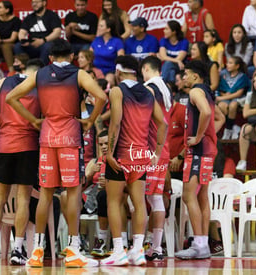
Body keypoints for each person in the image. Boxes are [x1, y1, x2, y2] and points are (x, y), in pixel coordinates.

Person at [6, 39, 107, 268]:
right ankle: (72, 250)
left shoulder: (40, 74)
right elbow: (101, 96)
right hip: (70, 135)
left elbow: (11, 97)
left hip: (47, 136)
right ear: (71, 56)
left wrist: (33, 119)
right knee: (73, 193)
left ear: (50, 58)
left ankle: (37, 252)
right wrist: (91, 120)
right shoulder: (79, 74)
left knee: (45, 194)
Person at [100, 55, 166, 266]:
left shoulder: (118, 91)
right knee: (139, 204)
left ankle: (119, 250)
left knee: (113, 201)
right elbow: (162, 124)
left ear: (118, 72)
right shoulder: (148, 92)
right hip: (140, 155)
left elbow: (116, 123)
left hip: (120, 154)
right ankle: (137, 251)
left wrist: (109, 152)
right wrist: (156, 151)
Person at [0, 58, 44, 265]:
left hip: (4, 146)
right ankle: (18, 249)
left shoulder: (2, 83)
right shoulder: (40, 85)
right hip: (28, 146)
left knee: (0, 198)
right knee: (24, 199)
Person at [174, 60, 217, 260]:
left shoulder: (195, 92)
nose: (183, 78)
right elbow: (216, 116)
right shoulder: (207, 92)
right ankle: (203, 244)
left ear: (195, 76)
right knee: (202, 197)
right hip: (208, 151)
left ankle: (199, 243)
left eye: (186, 74)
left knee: (188, 196)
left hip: (199, 151)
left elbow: (207, 113)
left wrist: (198, 137)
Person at [141, 56, 172, 262]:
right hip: (163, 149)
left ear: (145, 68)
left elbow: (144, 119)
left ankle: (140, 244)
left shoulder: (150, 88)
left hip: (152, 150)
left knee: (142, 198)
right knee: (156, 198)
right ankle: (155, 246)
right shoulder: (166, 88)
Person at [14, 0, 62, 65]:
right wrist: (23, 41)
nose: (34, 4)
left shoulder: (52, 16)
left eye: (37, 2)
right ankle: (23, 68)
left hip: (46, 42)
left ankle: (40, 69)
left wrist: (43, 40)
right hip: (32, 44)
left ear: (44, 3)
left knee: (47, 46)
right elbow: (22, 32)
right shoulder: (29, 17)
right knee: (18, 46)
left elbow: (57, 32)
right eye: (33, 2)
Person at [236, 72, 256, 172]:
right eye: (254, 81)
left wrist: (254, 112)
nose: (255, 83)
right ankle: (243, 161)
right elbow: (245, 114)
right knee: (245, 128)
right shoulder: (250, 95)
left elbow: (250, 112)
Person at [218, 56, 250, 140]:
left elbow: (239, 93)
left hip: (237, 98)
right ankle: (233, 127)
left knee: (233, 106)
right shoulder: (223, 74)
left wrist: (222, 98)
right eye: (227, 62)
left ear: (237, 66)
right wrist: (224, 96)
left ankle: (228, 130)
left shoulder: (242, 76)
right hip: (225, 97)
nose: (227, 64)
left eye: (230, 63)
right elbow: (220, 89)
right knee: (222, 106)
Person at [0, 1, 21, 73]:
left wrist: (1, 41)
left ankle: (11, 71)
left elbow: (13, 39)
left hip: (13, 45)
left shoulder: (16, 20)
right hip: (0, 44)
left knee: (5, 46)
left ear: (7, 10)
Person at [90, 17, 124, 85]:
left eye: (101, 26)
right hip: (95, 70)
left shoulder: (117, 41)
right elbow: (89, 56)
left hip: (110, 71)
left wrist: (117, 73)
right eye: (99, 25)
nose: (99, 28)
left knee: (108, 81)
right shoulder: (96, 40)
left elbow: (121, 58)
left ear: (108, 29)